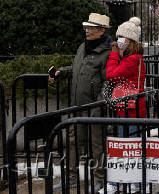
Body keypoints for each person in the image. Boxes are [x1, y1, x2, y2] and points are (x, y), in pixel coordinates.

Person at [49, 13, 112, 191]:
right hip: (77, 105)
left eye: (91, 27)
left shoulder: (108, 52)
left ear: (101, 30)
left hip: (94, 107)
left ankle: (99, 178)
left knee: (97, 144)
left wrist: (98, 105)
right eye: (87, 27)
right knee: (72, 142)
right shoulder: (83, 47)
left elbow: (108, 82)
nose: (87, 30)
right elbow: (77, 68)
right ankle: (71, 177)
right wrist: (63, 72)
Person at [100, 17, 146, 194]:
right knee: (127, 145)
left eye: (122, 38)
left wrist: (113, 54)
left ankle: (128, 181)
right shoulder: (131, 58)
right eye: (117, 37)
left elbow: (111, 75)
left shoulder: (132, 59)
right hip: (127, 107)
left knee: (128, 146)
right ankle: (130, 181)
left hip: (131, 109)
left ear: (130, 41)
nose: (118, 41)